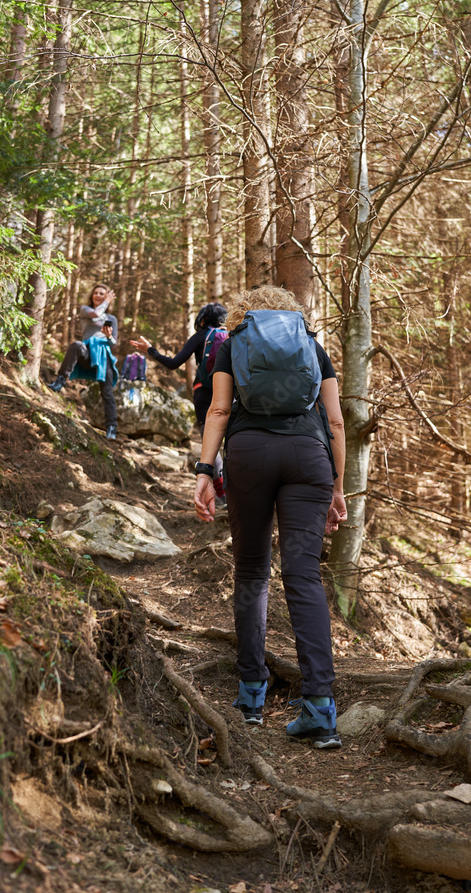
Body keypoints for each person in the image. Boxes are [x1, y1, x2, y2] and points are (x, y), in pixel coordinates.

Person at [194, 286, 347, 749]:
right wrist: (337, 487)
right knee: (303, 575)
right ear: (292, 315)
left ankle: (251, 694)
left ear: (246, 315)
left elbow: (219, 409)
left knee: (251, 571)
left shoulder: (233, 344)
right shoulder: (312, 346)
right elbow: (335, 422)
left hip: (249, 456)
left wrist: (205, 471)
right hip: (309, 459)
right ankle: (319, 706)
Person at [131, 302, 228, 505]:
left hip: (203, 393)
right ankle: (236, 489)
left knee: (210, 441)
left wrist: (150, 349)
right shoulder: (232, 336)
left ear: (203, 319)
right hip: (228, 392)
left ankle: (221, 494)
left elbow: (173, 363)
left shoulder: (201, 336)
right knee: (233, 440)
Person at [48, 283, 119, 440]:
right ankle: (60, 381)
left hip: (104, 356)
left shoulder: (111, 319)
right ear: (92, 295)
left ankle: (112, 427)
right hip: (87, 352)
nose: (98, 295)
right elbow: (95, 314)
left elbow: (114, 344)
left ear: (106, 296)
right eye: (96, 293)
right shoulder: (86, 310)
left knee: (107, 392)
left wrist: (108, 336)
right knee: (76, 345)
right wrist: (106, 301)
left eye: (102, 293)